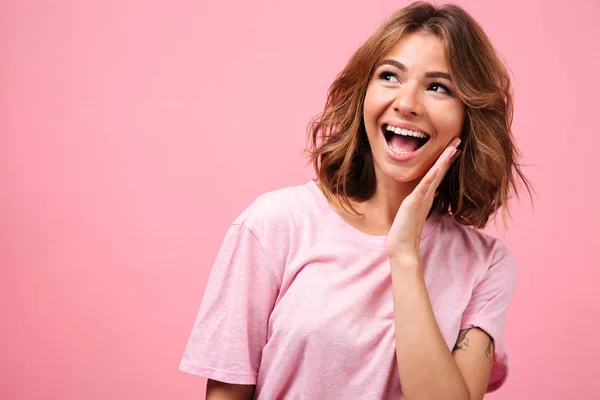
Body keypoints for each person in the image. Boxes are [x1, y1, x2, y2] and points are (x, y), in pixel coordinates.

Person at [179, 1, 533, 399]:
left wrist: (404, 253)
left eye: (438, 87)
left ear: (469, 116)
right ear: (363, 94)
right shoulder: (275, 224)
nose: (407, 104)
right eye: (389, 76)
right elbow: (226, 393)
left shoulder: (484, 265)